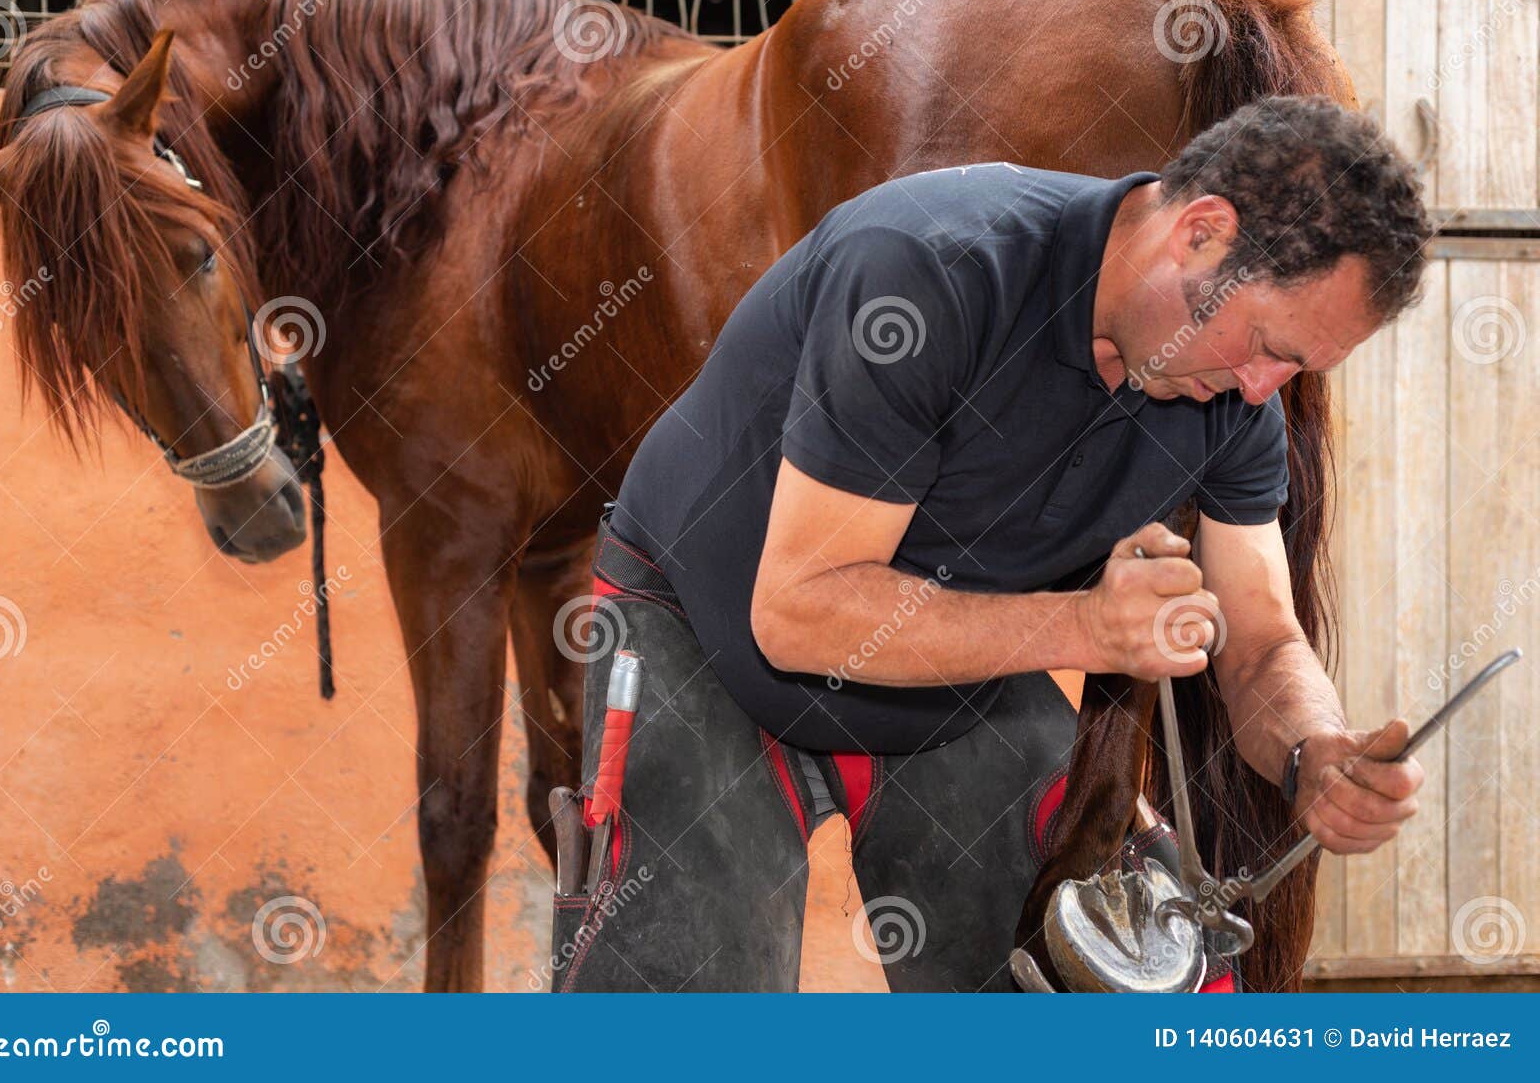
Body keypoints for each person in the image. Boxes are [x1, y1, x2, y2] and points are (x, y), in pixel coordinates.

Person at [547, 95, 1433, 993]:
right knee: (671, 1003)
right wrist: (1087, 627)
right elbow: (796, 611)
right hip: (706, 623)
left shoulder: (1231, 399)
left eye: (1296, 370)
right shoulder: (930, 269)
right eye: (1266, 344)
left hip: (947, 669)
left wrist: (1312, 749)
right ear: (1201, 233)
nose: (1260, 388)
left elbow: (1262, 639)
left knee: (1056, 981)